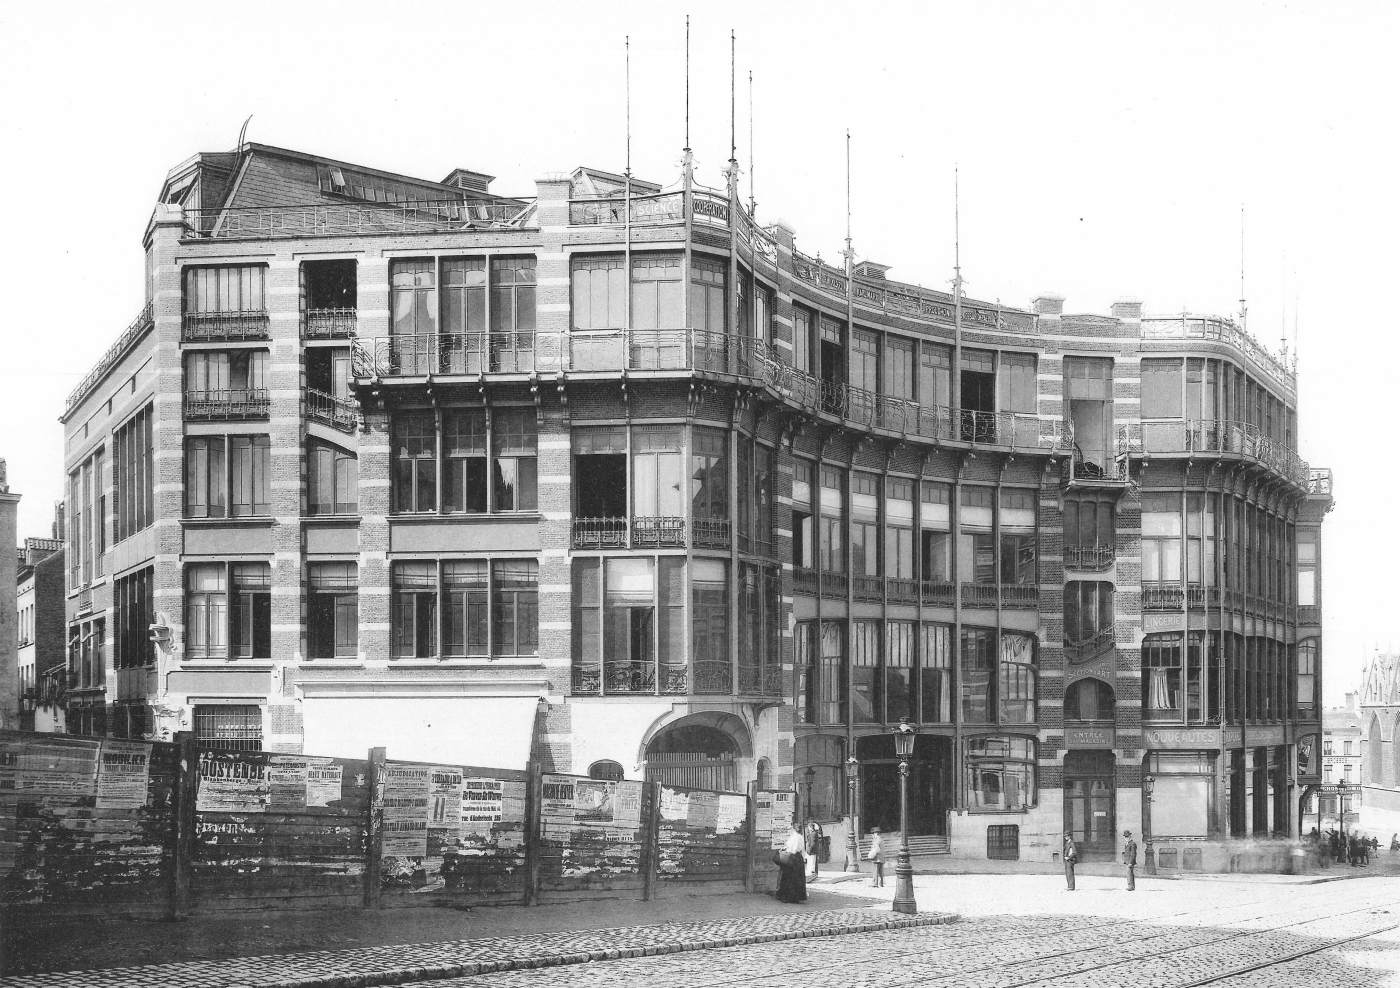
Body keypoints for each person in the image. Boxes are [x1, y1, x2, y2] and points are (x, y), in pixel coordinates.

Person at [775, 823, 807, 903]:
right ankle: (796, 897)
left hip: (793, 858)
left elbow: (793, 849)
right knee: (797, 878)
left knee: (789, 878)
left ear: (793, 829)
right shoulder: (799, 837)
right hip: (797, 858)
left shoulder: (795, 837)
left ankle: (788, 897)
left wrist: (785, 850)